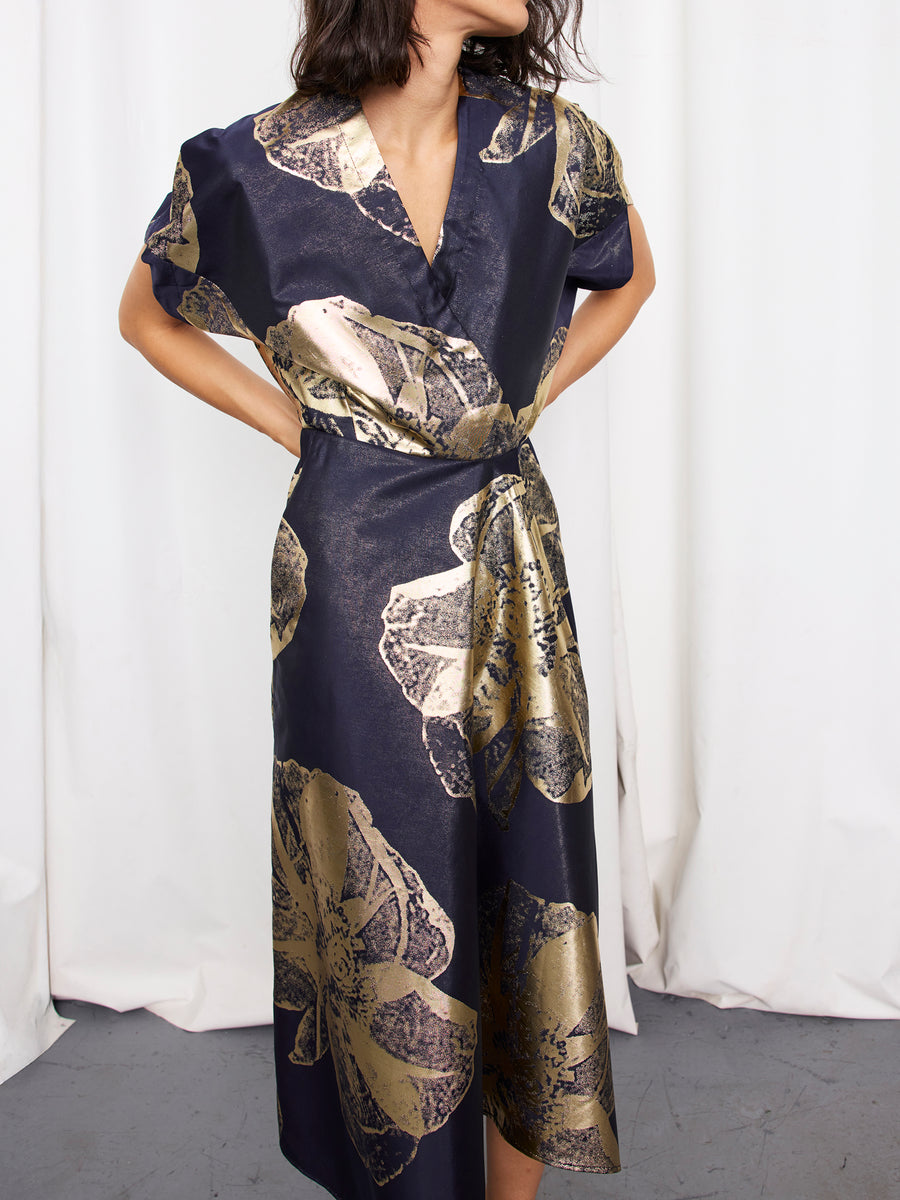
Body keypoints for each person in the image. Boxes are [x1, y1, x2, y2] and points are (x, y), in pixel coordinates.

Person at [118, 0, 655, 1197]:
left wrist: (505, 410)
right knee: (381, 899)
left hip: (509, 547)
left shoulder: (553, 143)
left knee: (528, 888)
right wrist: (306, 432)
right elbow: (147, 315)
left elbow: (627, 281)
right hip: (351, 572)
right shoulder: (250, 163)